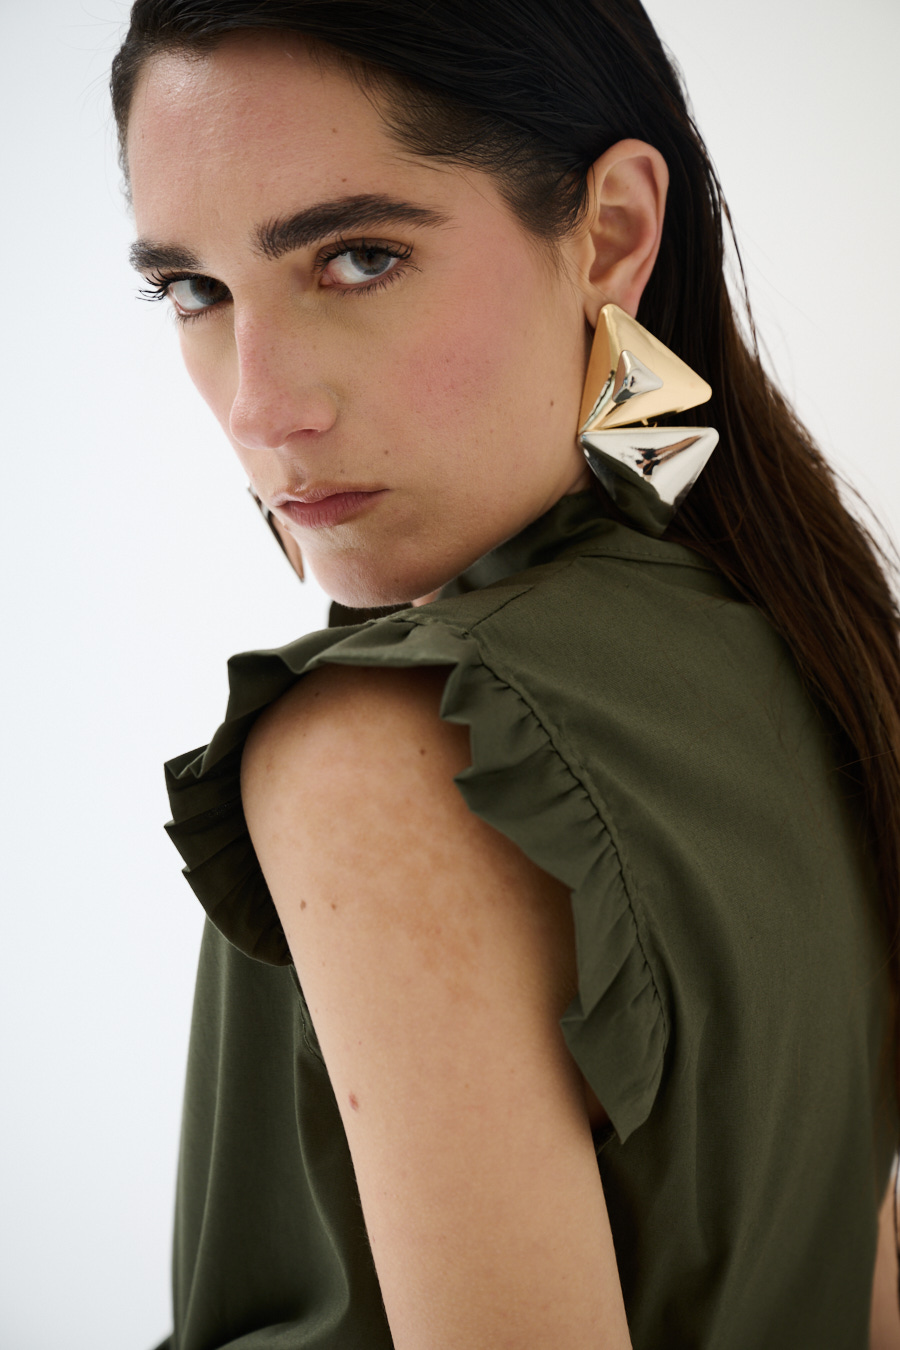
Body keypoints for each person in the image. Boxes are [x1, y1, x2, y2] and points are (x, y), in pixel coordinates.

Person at [111, 3, 900, 1346]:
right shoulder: (796, 625)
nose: (261, 405)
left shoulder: (383, 748)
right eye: (194, 290)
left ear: (612, 232)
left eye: (359, 257)